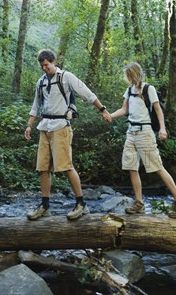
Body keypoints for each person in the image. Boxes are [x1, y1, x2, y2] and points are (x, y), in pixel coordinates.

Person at [25, 48, 112, 220]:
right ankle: (45, 206)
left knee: (66, 166)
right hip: (45, 127)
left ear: (53, 62)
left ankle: (81, 204)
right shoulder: (41, 82)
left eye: (46, 65)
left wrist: (103, 109)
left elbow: (87, 93)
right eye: (42, 66)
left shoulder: (66, 77)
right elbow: (35, 105)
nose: (44, 68)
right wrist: (29, 125)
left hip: (61, 127)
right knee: (42, 168)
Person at [109, 62, 176, 219]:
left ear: (136, 74)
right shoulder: (129, 90)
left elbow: (158, 109)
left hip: (145, 133)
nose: (129, 78)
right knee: (131, 167)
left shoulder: (149, 89)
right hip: (131, 132)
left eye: (130, 75)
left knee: (157, 167)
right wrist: (110, 115)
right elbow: (124, 110)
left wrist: (162, 128)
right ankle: (139, 203)